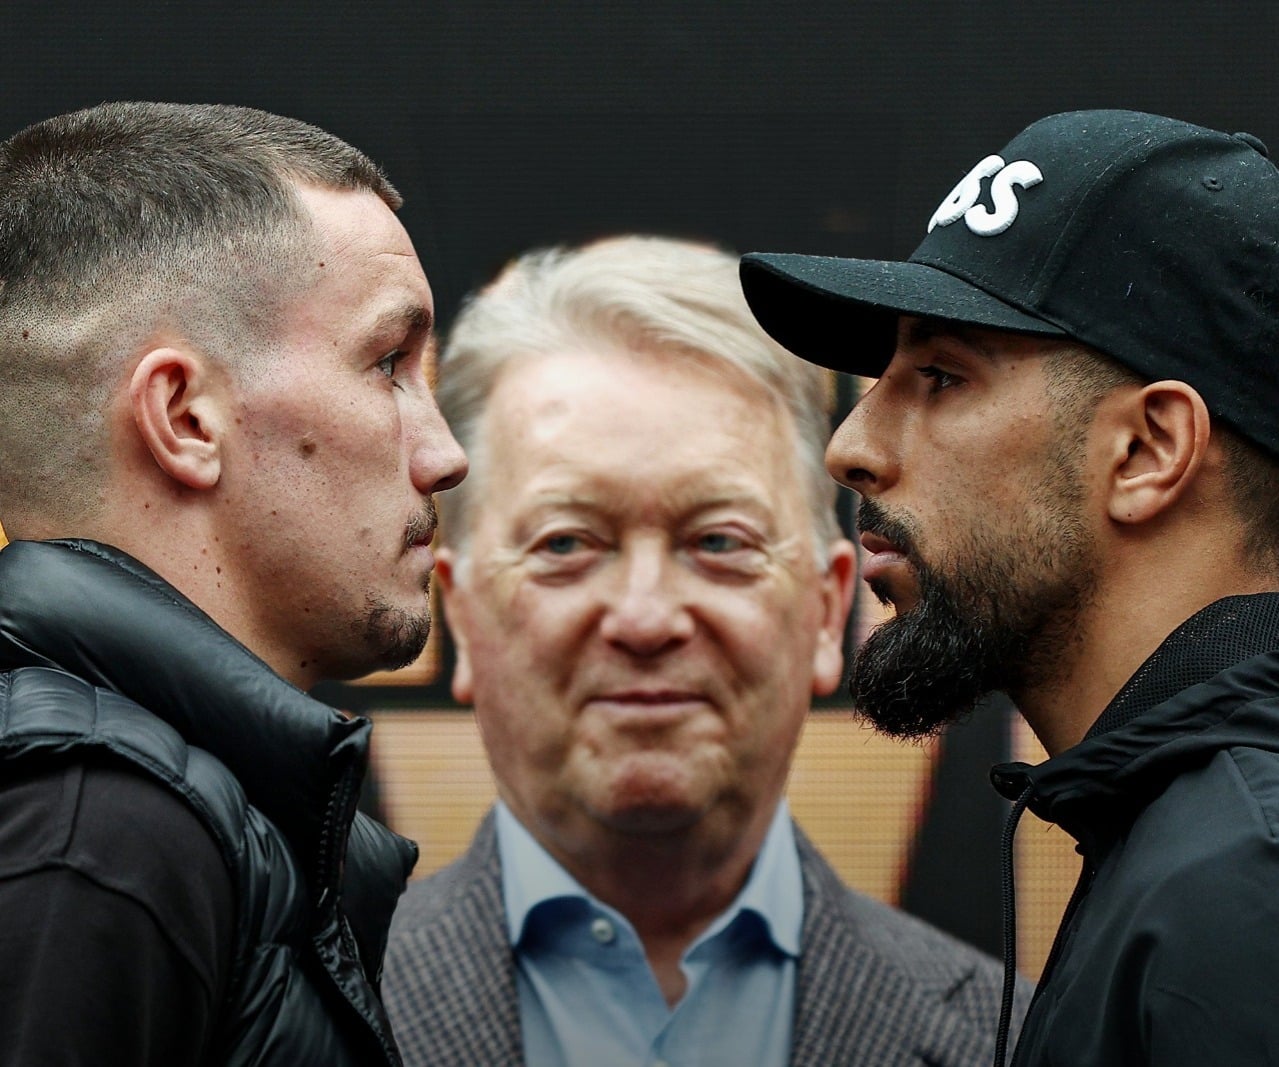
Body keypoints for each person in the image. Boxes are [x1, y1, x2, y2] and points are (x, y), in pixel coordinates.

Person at [381, 235, 1026, 1067]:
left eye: (718, 540)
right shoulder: (270, 1018)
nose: (646, 618)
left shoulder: (1023, 1042)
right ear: (461, 615)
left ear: (829, 611)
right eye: (566, 541)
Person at [740, 109, 1279, 1066]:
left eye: (941, 375)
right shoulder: (1186, 841)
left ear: (1146, 450)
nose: (849, 448)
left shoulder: (1242, 885)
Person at [0, 102, 467, 1065]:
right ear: (184, 417)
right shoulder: (98, 835)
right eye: (388, 363)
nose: (444, 453)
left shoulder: (136, 813)